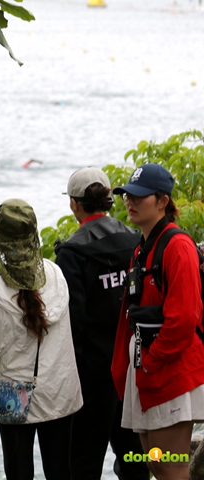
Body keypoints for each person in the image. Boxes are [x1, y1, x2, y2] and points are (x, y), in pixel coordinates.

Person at [0, 199, 83, 480]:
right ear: (34, 236)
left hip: (16, 401)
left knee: (18, 473)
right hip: (60, 394)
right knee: (61, 471)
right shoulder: (55, 274)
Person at [54, 167, 149, 480]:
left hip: (94, 376)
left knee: (83, 462)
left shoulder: (72, 251)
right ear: (110, 200)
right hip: (135, 367)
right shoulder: (135, 239)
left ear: (74, 204)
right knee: (135, 457)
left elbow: (74, 321)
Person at [111, 163, 204, 480]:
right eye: (127, 196)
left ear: (163, 201)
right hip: (148, 366)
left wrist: (152, 361)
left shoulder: (177, 246)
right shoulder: (141, 248)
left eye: (139, 196)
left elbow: (184, 318)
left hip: (171, 368)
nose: (130, 202)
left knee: (171, 465)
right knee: (153, 462)